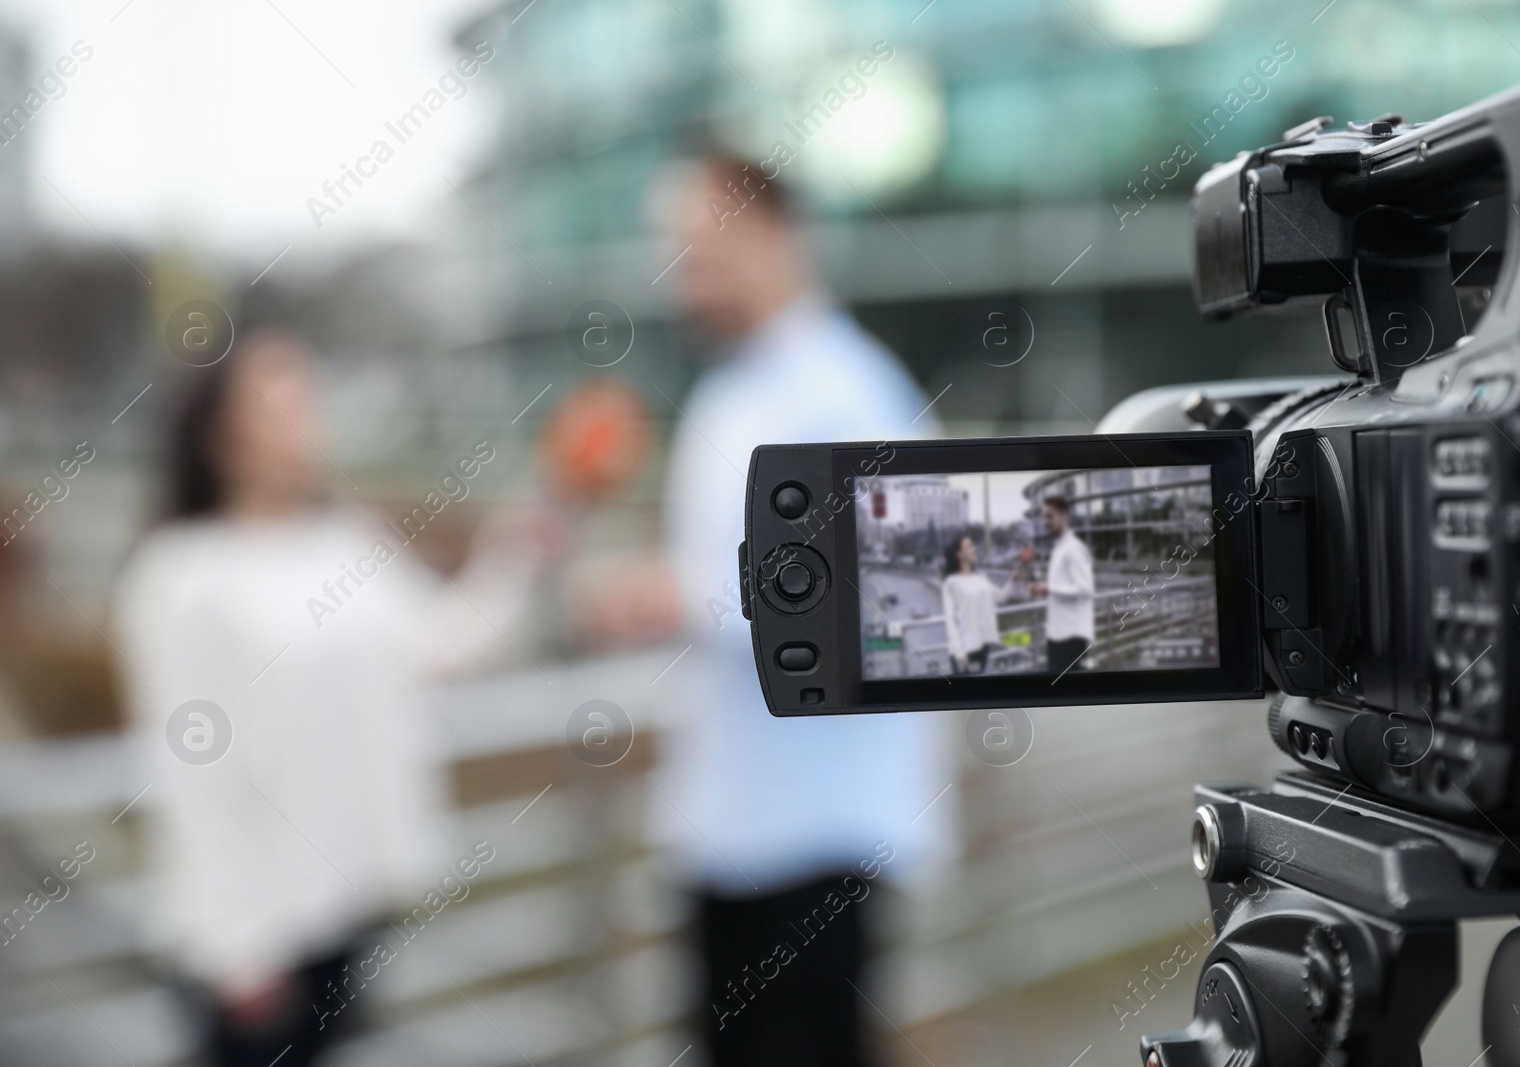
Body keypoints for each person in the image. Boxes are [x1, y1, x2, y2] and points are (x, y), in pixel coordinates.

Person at [114, 331, 551, 1067]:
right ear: (222, 433)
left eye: (308, 399)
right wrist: (235, 949)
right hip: (252, 944)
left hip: (343, 908)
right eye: (280, 403)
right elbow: (187, 773)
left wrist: (535, 533)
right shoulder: (180, 575)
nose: (307, 419)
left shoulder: (346, 544)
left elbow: (446, 643)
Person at [654, 156, 952, 1067]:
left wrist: (680, 600)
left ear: (771, 233)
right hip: (730, 820)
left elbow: (897, 598)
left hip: (817, 835)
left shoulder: (851, 391)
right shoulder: (726, 392)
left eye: (699, 246)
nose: (682, 273)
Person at [1030, 494, 1095, 675]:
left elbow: (1086, 590)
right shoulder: (1059, 549)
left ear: (1063, 515)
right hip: (1058, 636)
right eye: (1043, 517)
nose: (1045, 522)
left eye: (1050, 516)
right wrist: (1046, 590)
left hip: (1072, 638)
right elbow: (1063, 588)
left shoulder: (1074, 549)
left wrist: (1049, 588)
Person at [940, 535, 1020, 675]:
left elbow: (1000, 597)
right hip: (964, 650)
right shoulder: (951, 582)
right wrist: (959, 652)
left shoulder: (981, 577)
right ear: (959, 554)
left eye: (973, 545)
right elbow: (950, 620)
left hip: (983, 645)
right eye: (969, 546)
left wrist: (1012, 580)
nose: (975, 549)